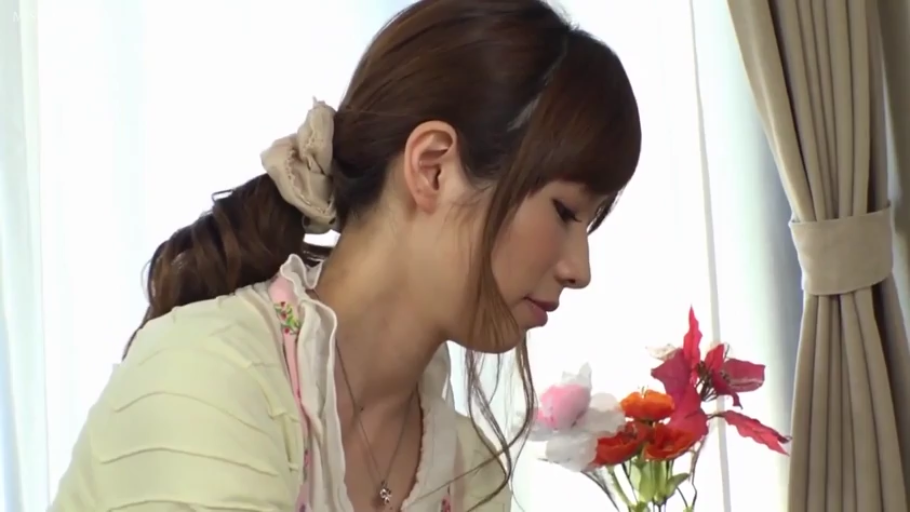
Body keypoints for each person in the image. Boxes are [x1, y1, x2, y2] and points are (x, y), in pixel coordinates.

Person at [49, 0, 641, 510]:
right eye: (565, 212)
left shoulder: (471, 474)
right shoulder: (213, 378)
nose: (580, 270)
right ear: (433, 168)